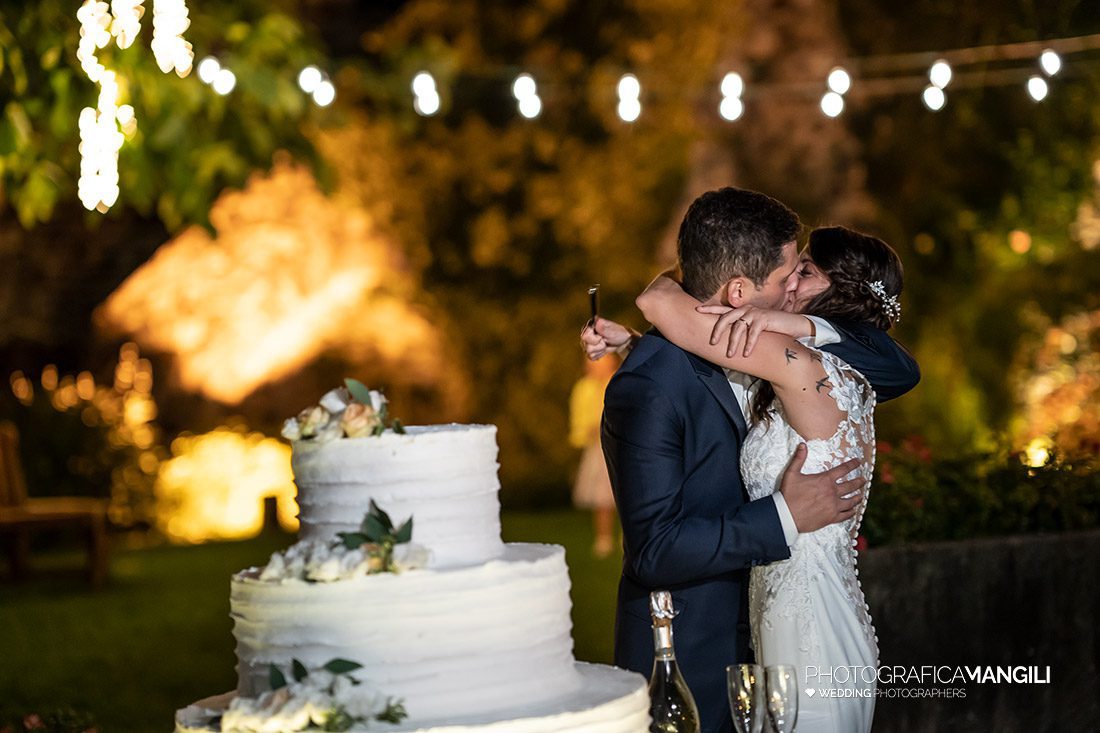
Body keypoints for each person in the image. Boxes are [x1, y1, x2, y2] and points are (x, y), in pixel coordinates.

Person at [580, 188, 918, 733]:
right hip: (718, 640)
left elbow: (665, 302)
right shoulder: (717, 374)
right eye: (789, 272)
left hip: (807, 630)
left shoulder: (800, 364)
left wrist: (662, 299)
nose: (789, 286)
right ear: (741, 288)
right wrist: (639, 343)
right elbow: (657, 546)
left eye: (802, 274)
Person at [569, 352, 620, 557]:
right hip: (598, 449)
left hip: (621, 446)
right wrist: (585, 431)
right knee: (602, 497)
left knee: (628, 493)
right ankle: (604, 538)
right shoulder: (583, 388)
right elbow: (578, 418)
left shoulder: (620, 382)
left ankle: (629, 537)